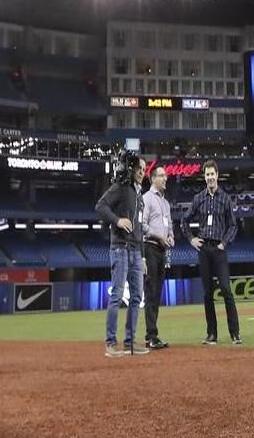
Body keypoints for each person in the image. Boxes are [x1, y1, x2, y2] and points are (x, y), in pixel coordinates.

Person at [180, 159, 242, 345]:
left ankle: (235, 333)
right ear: (204, 177)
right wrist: (191, 239)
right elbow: (184, 220)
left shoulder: (225, 198)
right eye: (207, 175)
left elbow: (233, 225)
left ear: (217, 175)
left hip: (219, 249)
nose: (210, 178)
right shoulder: (199, 198)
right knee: (207, 293)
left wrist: (224, 242)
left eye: (212, 174)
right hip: (203, 248)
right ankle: (212, 334)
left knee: (226, 290)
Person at [95, 152, 149, 357]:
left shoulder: (138, 195)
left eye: (144, 170)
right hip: (120, 248)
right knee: (117, 295)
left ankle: (129, 342)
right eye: (139, 168)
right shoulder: (120, 188)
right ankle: (110, 343)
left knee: (136, 297)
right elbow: (100, 206)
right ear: (131, 169)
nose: (142, 172)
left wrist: (143, 257)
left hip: (136, 251)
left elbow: (140, 228)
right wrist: (117, 220)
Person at [142, 164, 174, 349]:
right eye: (162, 176)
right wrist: (159, 236)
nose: (165, 178)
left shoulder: (165, 202)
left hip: (162, 250)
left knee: (157, 293)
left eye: (165, 176)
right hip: (150, 248)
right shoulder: (146, 199)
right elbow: (142, 226)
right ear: (153, 178)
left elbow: (169, 225)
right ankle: (151, 336)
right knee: (152, 292)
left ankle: (153, 334)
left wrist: (170, 236)